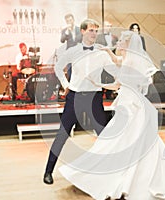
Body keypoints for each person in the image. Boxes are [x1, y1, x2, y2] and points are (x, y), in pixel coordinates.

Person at [58, 31, 165, 199]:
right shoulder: (126, 59)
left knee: (131, 139)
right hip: (125, 102)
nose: (118, 44)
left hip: (133, 105)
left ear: (128, 44)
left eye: (121, 42)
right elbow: (118, 82)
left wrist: (113, 68)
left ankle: (131, 177)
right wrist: (100, 83)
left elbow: (137, 80)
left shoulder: (135, 61)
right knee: (118, 139)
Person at [43, 19, 119, 185]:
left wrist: (120, 73)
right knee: (62, 134)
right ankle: (48, 171)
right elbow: (58, 67)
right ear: (83, 31)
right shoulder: (73, 51)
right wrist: (66, 85)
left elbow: (114, 71)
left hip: (94, 97)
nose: (94, 33)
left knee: (103, 135)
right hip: (75, 97)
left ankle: (112, 172)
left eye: (96, 31)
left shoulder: (101, 52)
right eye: (91, 30)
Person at [96, 20, 119, 100]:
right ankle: (100, 93)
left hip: (111, 59)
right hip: (102, 60)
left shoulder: (115, 37)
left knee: (110, 76)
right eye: (106, 26)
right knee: (102, 75)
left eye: (109, 26)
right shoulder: (98, 37)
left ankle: (110, 94)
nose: (108, 28)